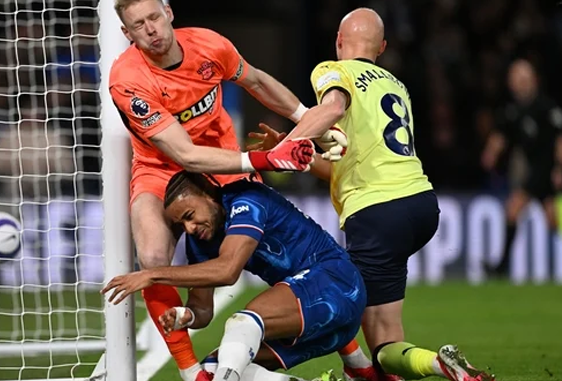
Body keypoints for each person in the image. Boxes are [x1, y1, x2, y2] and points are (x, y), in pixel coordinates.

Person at [108, 1, 356, 380]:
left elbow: (256, 81)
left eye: (154, 17)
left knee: (260, 241)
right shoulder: (128, 79)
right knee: (153, 255)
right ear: (128, 35)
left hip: (222, 158)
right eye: (139, 25)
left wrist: (310, 121)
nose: (151, 29)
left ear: (170, 12)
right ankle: (193, 373)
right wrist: (266, 159)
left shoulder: (209, 46)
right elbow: (184, 154)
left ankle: (337, 330)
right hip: (161, 166)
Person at [250, 8, 495, 381]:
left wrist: (285, 145)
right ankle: (418, 367)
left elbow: (331, 108)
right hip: (420, 204)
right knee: (384, 336)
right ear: (381, 47)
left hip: (377, 211)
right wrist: (306, 154)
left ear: (338, 41)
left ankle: (410, 369)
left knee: (341, 307)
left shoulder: (334, 70)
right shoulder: (397, 86)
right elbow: (341, 167)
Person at [103, 171, 368, 381]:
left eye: (189, 216)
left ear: (209, 195)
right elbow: (202, 310)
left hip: (338, 283)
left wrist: (152, 275)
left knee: (243, 323)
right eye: (181, 225)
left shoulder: (246, 201)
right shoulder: (201, 241)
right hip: (324, 327)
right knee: (214, 366)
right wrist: (187, 315)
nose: (189, 228)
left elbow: (228, 271)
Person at [481, 59, 562, 277]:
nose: (520, 84)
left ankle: (501, 267)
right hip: (534, 172)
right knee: (549, 220)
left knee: (517, 209)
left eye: (524, 79)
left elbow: (559, 141)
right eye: (516, 79)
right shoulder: (512, 110)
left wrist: (559, 168)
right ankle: (502, 267)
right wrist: (491, 153)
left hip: (548, 170)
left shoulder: (547, 107)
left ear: (534, 80)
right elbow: (501, 135)